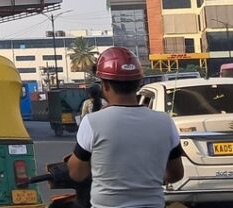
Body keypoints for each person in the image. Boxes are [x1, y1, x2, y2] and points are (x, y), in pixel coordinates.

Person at [67, 47, 184, 208]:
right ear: (139, 83)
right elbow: (176, 174)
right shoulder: (165, 122)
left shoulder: (92, 122)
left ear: (105, 85)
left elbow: (77, 174)